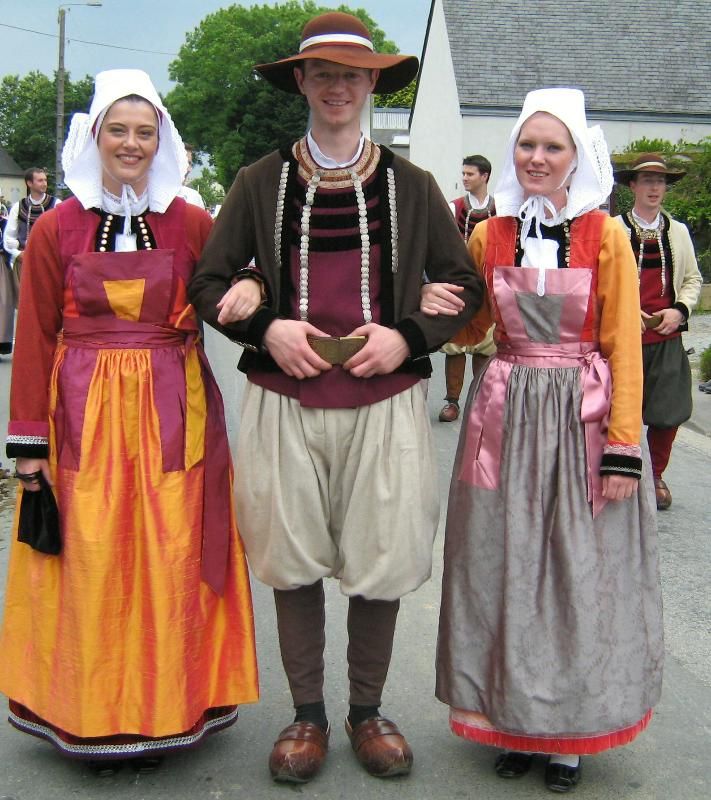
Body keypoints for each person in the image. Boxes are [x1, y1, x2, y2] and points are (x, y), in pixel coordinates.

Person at [189, 11, 484, 785]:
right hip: (285, 398)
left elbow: (463, 283)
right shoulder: (259, 181)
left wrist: (409, 336)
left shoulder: (412, 186)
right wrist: (264, 326)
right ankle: (307, 715)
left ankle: (365, 710)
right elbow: (207, 282)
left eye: (352, 75)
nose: (337, 87)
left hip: (383, 400)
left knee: (381, 558)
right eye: (322, 73)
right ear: (301, 82)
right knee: (290, 560)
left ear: (372, 85)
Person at [0, 69, 260, 776]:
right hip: (82, 416)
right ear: (94, 135)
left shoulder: (191, 220)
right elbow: (34, 335)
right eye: (118, 129)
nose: (131, 143)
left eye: (145, 132)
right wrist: (29, 446)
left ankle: (171, 701)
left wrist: (252, 286)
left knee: (173, 551)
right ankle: (88, 706)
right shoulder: (57, 226)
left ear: (161, 141)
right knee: (89, 559)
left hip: (176, 413)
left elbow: (235, 283)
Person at [425, 88, 663, 793]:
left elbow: (622, 344)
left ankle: (568, 737)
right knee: (499, 568)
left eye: (551, 148)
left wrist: (623, 448)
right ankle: (509, 719)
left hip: (580, 423)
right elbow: (472, 334)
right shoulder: (487, 234)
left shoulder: (605, 236)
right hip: (501, 414)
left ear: (574, 161)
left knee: (572, 575)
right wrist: (438, 306)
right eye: (526, 145)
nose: (536, 158)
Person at [613, 153, 702, 509]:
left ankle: (655, 475)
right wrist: (623, 312)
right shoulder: (613, 230)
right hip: (623, 337)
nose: (654, 187)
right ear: (632, 185)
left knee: (669, 411)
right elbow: (599, 281)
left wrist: (679, 311)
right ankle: (621, 470)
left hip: (665, 336)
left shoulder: (677, 231)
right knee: (618, 409)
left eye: (660, 181)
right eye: (647, 180)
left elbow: (693, 279)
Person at [439, 155, 496, 422]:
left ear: (484, 176)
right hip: (460, 284)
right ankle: (452, 401)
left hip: (488, 286)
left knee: (486, 345)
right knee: (456, 344)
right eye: (463, 174)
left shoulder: (502, 209)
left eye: (470, 174)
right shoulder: (454, 207)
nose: (464, 178)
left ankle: (481, 400)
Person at [3, 168, 61, 282]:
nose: (44, 183)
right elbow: (9, 236)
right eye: (40, 180)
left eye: (45, 180)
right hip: (25, 261)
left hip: (50, 261)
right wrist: (17, 254)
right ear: (29, 183)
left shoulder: (57, 205)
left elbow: (64, 235)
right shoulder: (18, 207)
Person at [0, 204, 16, 355]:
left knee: (4, 304)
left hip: (1, 263)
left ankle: (2, 341)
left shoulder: (4, 222)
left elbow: (8, 241)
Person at [177, 143, 207, 209]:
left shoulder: (194, 198)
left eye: (190, 163)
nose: (189, 169)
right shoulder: (151, 197)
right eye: (184, 163)